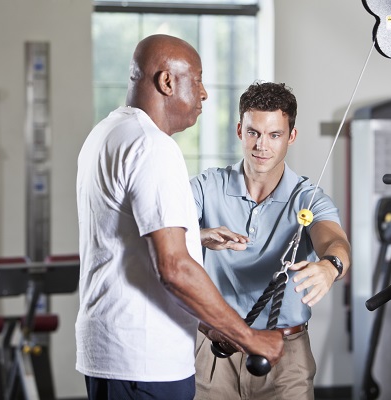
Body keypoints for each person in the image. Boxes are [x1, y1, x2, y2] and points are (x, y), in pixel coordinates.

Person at [75, 35, 284, 400]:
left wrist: (197, 242)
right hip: (147, 365)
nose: (204, 94)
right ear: (167, 82)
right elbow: (173, 267)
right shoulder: (153, 146)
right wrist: (248, 337)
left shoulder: (107, 133)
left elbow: (125, 240)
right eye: (198, 79)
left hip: (110, 357)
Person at [191, 81, 351, 400]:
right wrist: (200, 235)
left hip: (285, 354)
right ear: (240, 130)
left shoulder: (307, 196)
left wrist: (330, 267)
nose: (262, 146)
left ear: (291, 136)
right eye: (254, 132)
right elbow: (164, 233)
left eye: (274, 135)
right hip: (216, 350)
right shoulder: (207, 186)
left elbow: (334, 241)